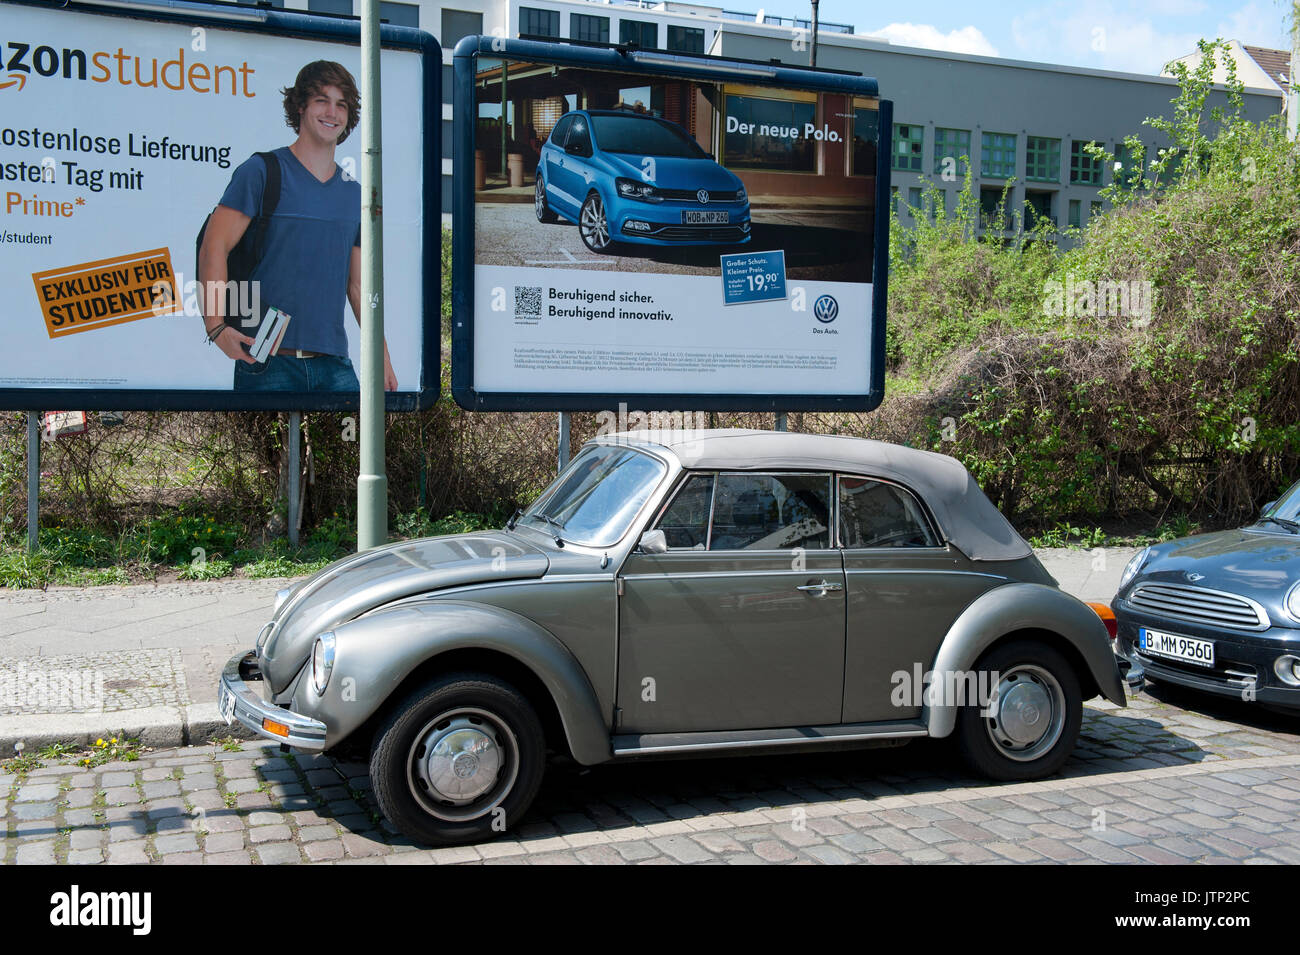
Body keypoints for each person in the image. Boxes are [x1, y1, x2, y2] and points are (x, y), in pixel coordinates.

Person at [199, 60, 397, 392]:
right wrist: (215, 327)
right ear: (301, 106)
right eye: (322, 100)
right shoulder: (261, 172)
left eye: (341, 104)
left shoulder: (356, 195)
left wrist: (383, 359)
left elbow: (358, 287)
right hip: (266, 361)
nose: (332, 112)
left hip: (334, 365)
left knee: (356, 446)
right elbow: (213, 246)